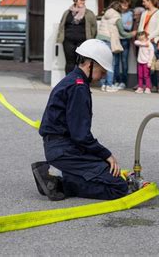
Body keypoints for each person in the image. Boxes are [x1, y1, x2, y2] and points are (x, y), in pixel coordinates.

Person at [32, 39, 128, 201]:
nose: (103, 77)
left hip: (60, 146)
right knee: (118, 187)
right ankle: (60, 184)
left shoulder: (71, 80)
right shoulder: (79, 88)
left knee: (104, 169)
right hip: (65, 150)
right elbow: (81, 135)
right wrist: (107, 154)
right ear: (90, 64)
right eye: (102, 71)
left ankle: (56, 177)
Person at [96, 1, 135, 92]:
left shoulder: (106, 14)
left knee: (102, 62)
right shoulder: (117, 16)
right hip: (109, 40)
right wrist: (132, 34)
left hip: (100, 39)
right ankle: (109, 85)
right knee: (110, 63)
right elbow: (122, 32)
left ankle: (103, 84)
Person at [56, 0, 97, 75]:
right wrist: (60, 37)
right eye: (81, 0)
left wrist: (90, 39)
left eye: (84, 0)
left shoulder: (89, 13)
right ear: (75, 0)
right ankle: (68, 81)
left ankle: (79, 81)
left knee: (81, 63)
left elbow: (94, 27)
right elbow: (62, 25)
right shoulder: (67, 12)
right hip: (68, 42)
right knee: (70, 62)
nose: (83, 2)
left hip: (82, 42)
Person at [138, 0, 159, 92]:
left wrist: (148, 38)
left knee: (151, 64)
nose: (143, 3)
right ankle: (145, 85)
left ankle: (154, 85)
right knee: (143, 64)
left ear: (149, 1)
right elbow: (141, 27)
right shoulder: (144, 13)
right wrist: (141, 38)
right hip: (143, 42)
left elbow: (158, 29)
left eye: (144, 1)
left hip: (152, 42)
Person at [114, 0, 134, 90]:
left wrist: (119, 24)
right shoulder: (116, 13)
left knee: (124, 61)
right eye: (123, 4)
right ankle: (116, 80)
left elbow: (129, 26)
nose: (125, 6)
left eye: (127, 4)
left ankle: (124, 81)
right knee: (116, 62)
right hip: (116, 38)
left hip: (125, 39)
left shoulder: (130, 13)